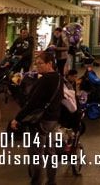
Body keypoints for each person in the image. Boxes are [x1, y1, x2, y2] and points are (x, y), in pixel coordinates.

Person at [11, 52, 62, 185]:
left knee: (36, 156)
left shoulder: (44, 80)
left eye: (41, 63)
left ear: (50, 63)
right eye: (36, 63)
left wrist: (17, 118)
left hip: (40, 121)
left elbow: (32, 103)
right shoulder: (58, 77)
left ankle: (36, 182)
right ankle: (52, 181)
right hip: (52, 120)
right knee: (50, 152)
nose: (37, 66)